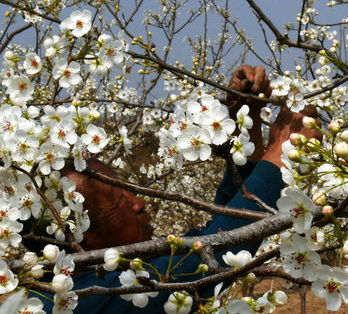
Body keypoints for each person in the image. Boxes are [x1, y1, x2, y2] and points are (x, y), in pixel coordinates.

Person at [38, 65, 322, 313]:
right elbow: (199, 262)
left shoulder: (104, 277)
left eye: (126, 189)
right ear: (80, 237)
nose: (138, 202)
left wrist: (243, 124)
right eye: (117, 198)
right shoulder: (75, 301)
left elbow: (213, 238)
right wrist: (282, 154)